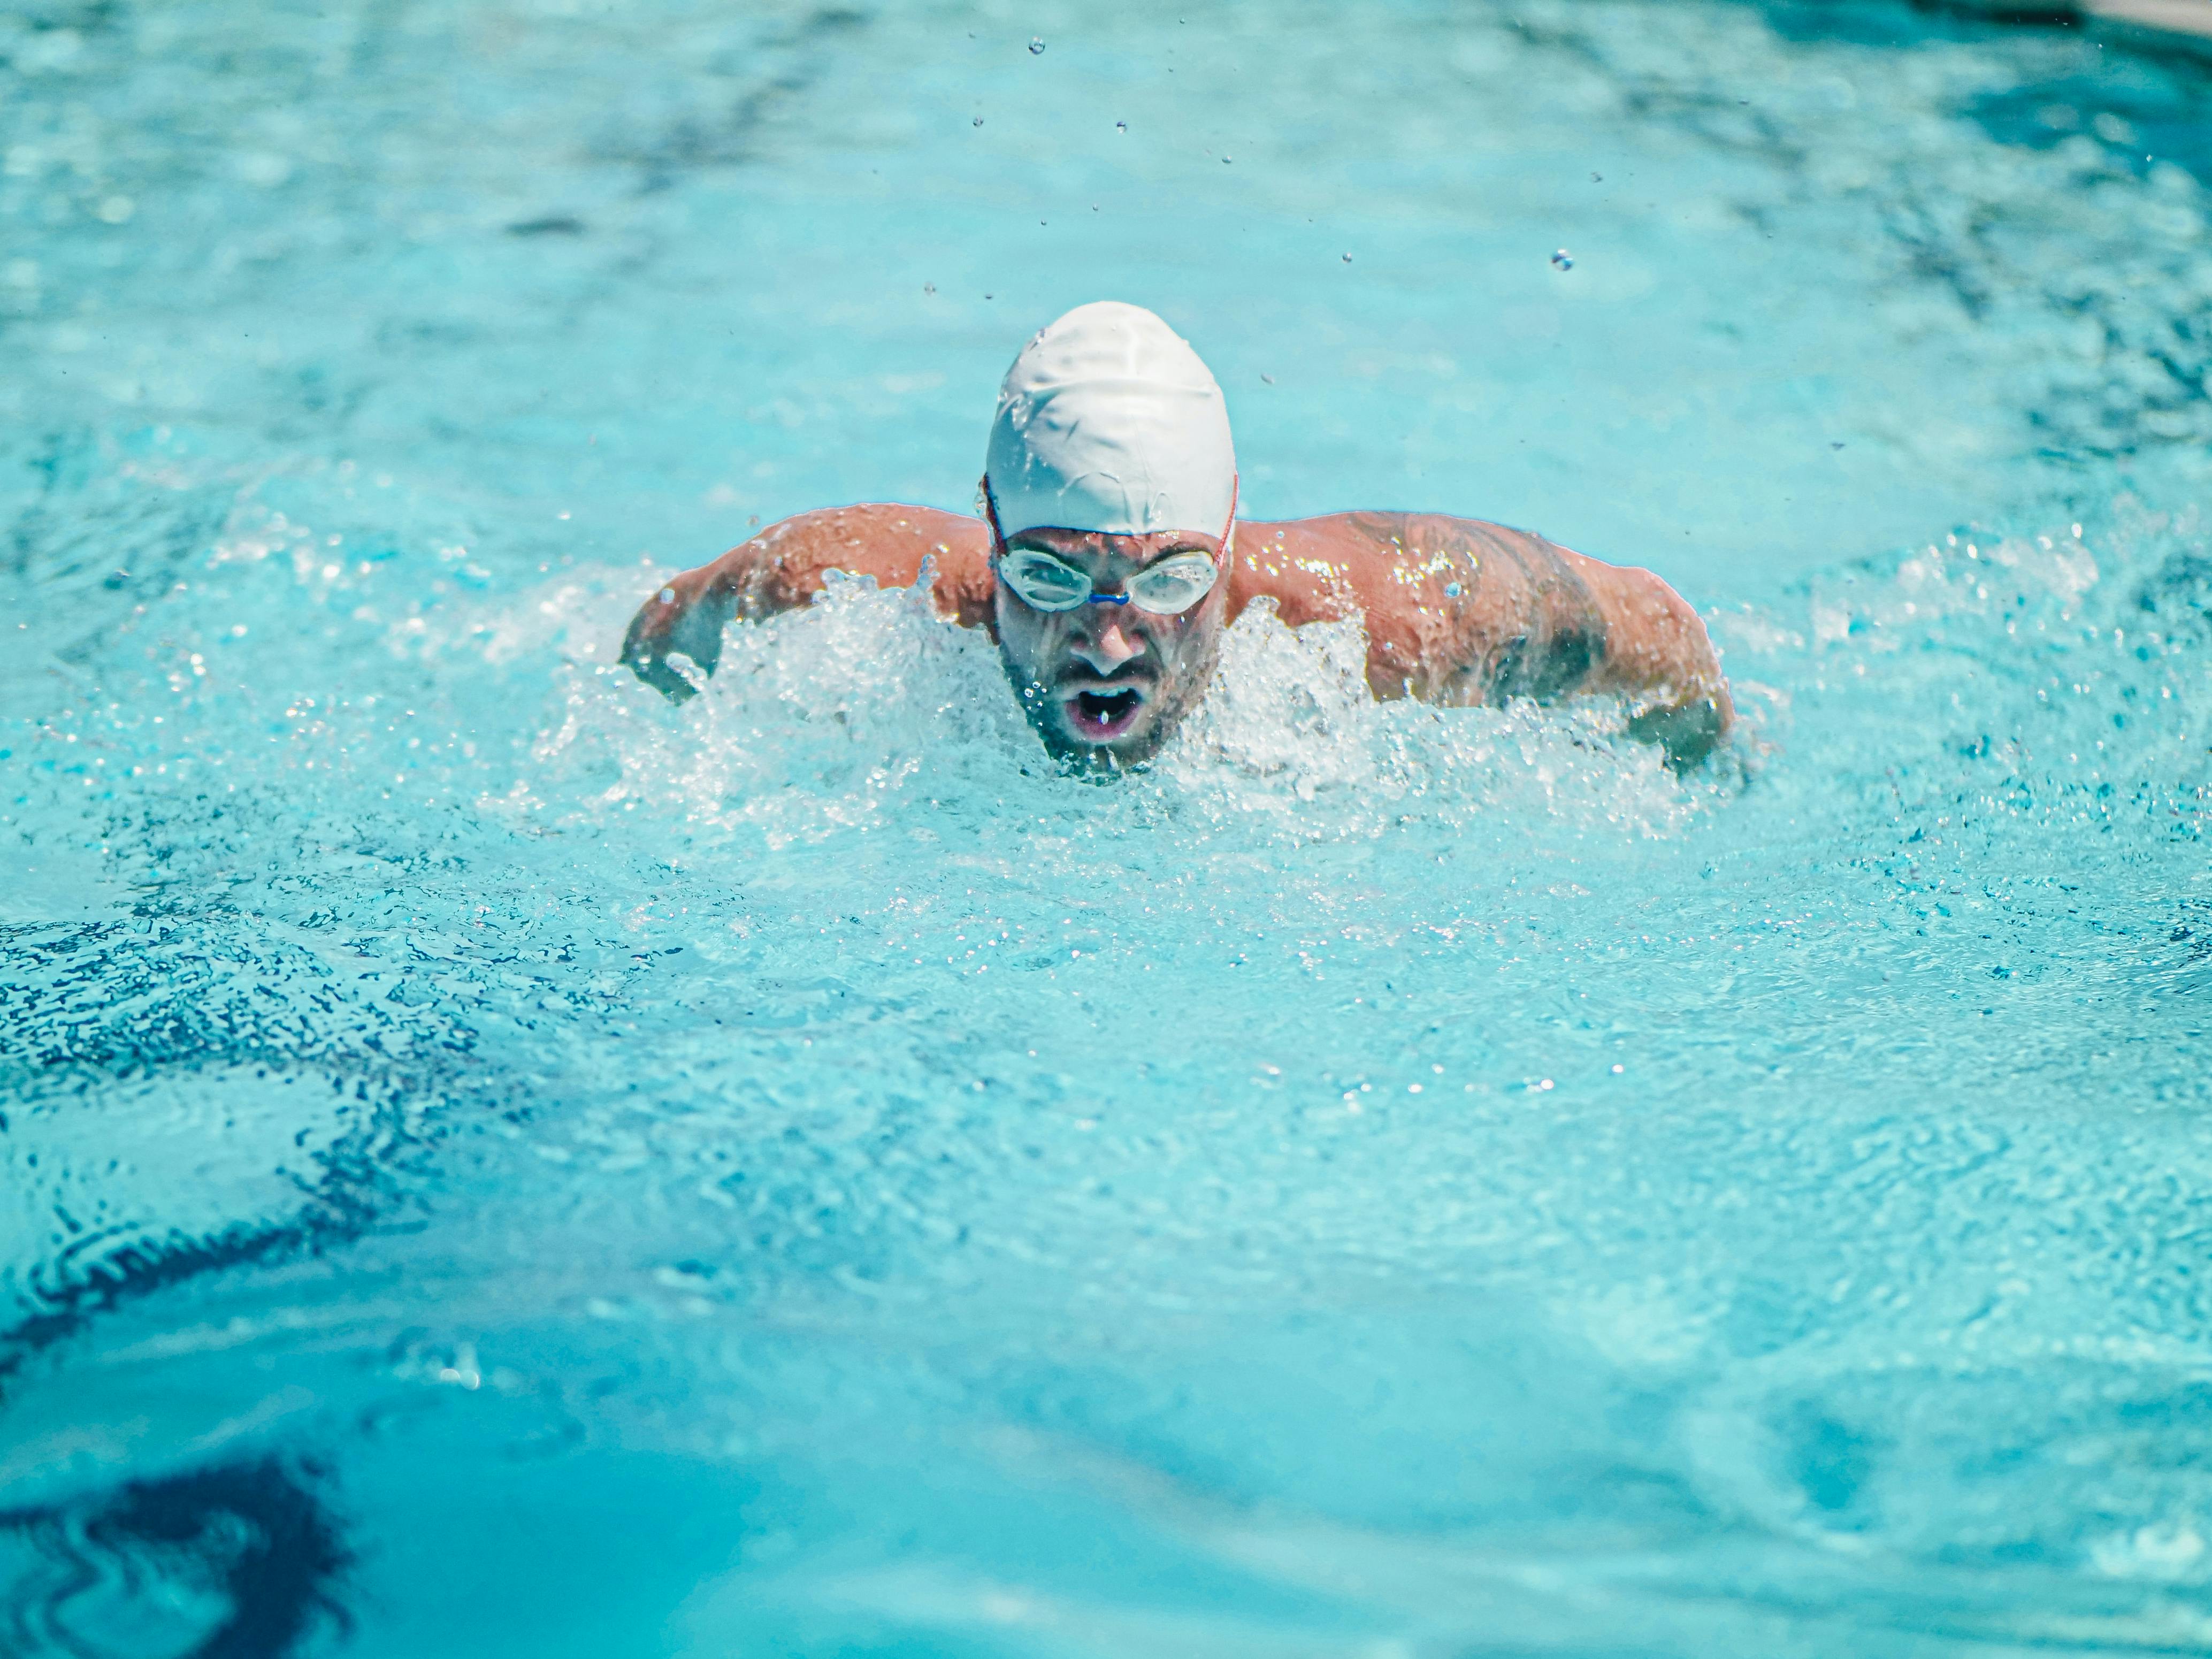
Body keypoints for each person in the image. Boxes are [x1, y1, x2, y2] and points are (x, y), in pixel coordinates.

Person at [621, 302, 1733, 770]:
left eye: (1169, 580)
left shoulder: (1389, 615)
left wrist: (1703, 783)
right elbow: (654, 647)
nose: (1109, 642)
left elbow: (1661, 638)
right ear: (990, 525)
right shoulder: (845, 584)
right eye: (1051, 575)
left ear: (1232, 536)